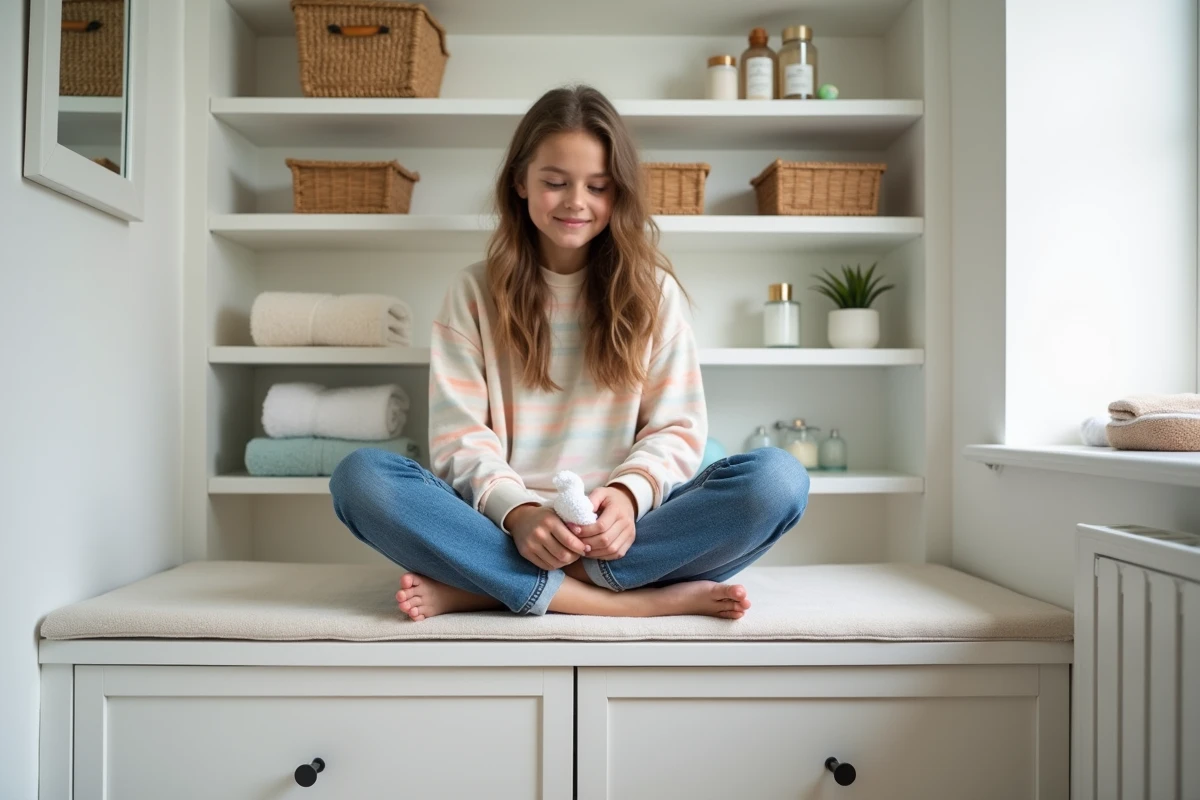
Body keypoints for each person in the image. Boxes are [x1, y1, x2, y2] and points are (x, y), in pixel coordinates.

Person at [330, 85, 809, 621]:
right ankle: (634, 604)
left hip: (628, 532)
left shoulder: (654, 293)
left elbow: (676, 428)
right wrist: (521, 514)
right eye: (555, 182)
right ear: (520, 182)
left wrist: (629, 497)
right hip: (505, 526)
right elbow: (459, 438)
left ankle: (491, 586)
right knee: (361, 479)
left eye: (598, 187)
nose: (576, 202)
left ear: (619, 193)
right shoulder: (472, 293)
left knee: (778, 481)